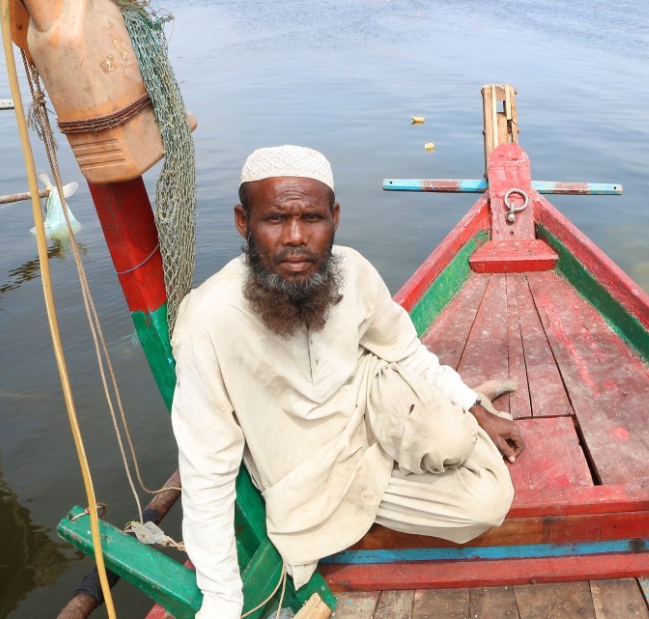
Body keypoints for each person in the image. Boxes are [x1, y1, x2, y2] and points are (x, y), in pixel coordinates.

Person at [171, 145, 525, 618]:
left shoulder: (353, 271)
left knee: (462, 452)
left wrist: (478, 410)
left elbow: (406, 351)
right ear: (244, 222)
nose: (295, 238)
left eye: (312, 218)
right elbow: (206, 467)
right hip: (314, 475)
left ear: (334, 218)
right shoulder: (209, 319)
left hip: (370, 411)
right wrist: (221, 601)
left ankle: (452, 420)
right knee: (481, 504)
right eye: (275, 219)